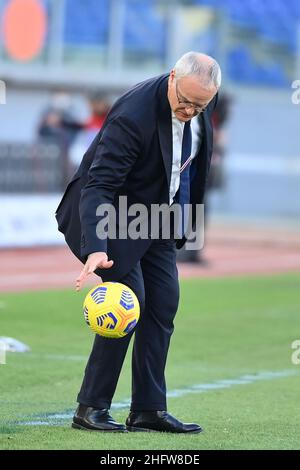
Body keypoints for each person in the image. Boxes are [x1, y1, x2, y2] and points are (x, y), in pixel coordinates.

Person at [55, 51, 221, 433]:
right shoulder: (134, 114)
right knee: (129, 304)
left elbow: (195, 170)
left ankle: (148, 410)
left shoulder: (197, 102)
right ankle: (90, 408)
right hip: (112, 214)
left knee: (163, 304)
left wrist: (184, 226)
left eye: (201, 105)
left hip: (156, 218)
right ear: (172, 78)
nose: (191, 111)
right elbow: (100, 185)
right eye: (186, 101)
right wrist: (97, 246)